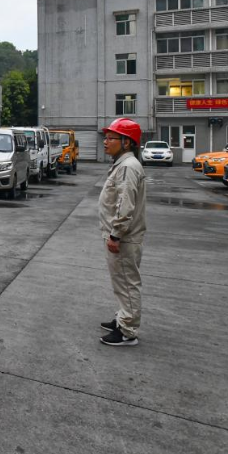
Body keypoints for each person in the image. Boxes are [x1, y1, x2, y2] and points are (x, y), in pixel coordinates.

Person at [98, 117, 147, 347]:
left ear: (126, 143)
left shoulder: (127, 167)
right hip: (121, 236)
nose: (105, 142)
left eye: (111, 138)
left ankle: (127, 331)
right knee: (122, 281)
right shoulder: (124, 164)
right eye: (105, 138)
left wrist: (116, 235)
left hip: (123, 238)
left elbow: (124, 206)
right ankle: (123, 318)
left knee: (127, 282)